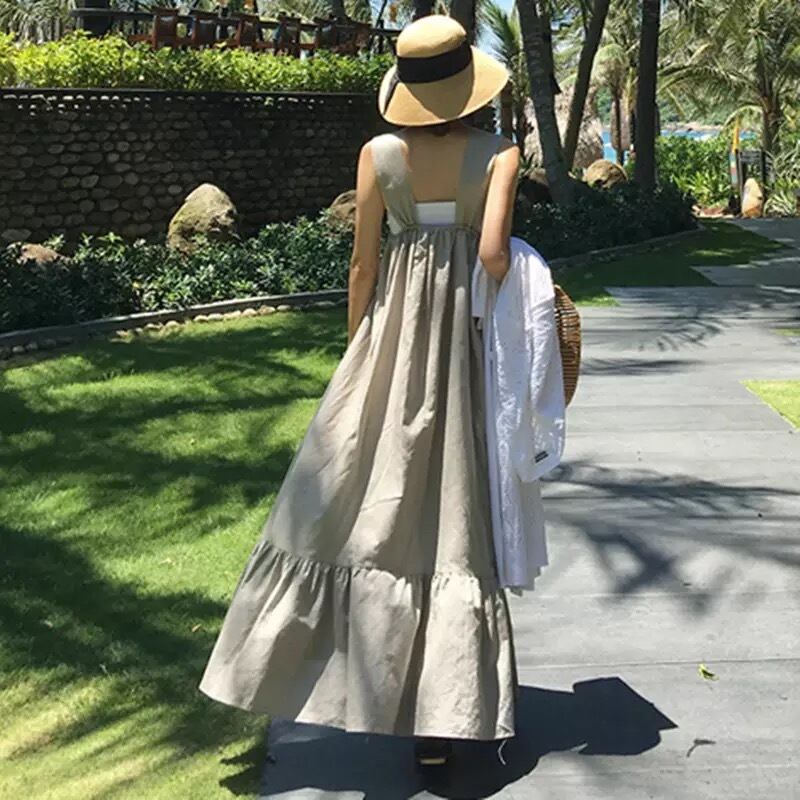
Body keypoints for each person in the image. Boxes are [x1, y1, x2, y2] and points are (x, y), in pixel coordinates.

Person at [198, 13, 521, 769]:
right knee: (451, 508)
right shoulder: (499, 154)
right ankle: (443, 718)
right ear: (469, 85)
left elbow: (363, 267)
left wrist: (361, 350)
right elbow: (493, 254)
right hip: (460, 344)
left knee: (359, 497)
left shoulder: (377, 155)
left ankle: (309, 672)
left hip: (389, 340)